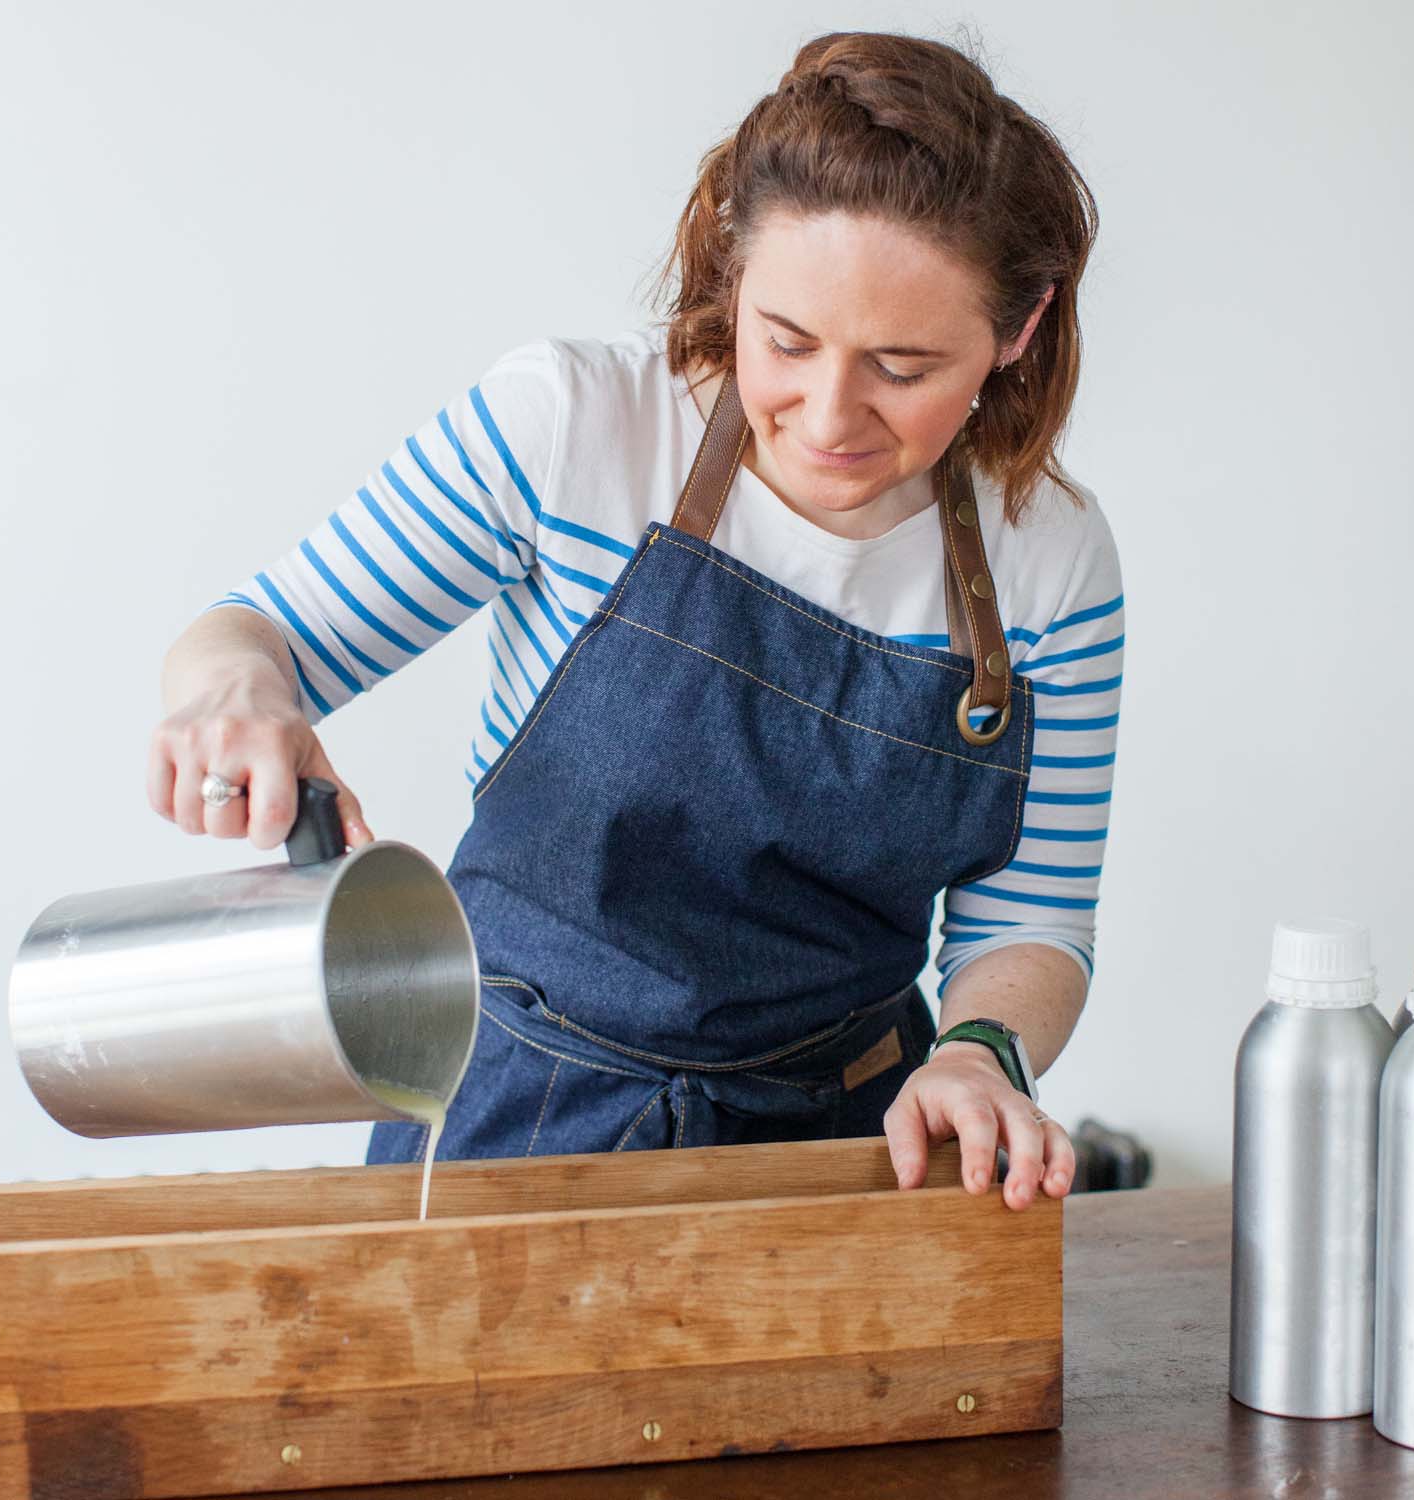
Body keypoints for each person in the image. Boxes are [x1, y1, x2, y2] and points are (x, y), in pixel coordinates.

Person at [148, 31, 1121, 1214]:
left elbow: (1032, 923)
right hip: (517, 1127)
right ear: (729, 274)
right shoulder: (574, 427)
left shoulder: (1047, 560)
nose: (828, 416)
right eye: (788, 340)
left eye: (904, 366)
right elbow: (262, 634)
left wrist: (981, 1053)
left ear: (1016, 333)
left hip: (844, 1152)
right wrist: (237, 695)